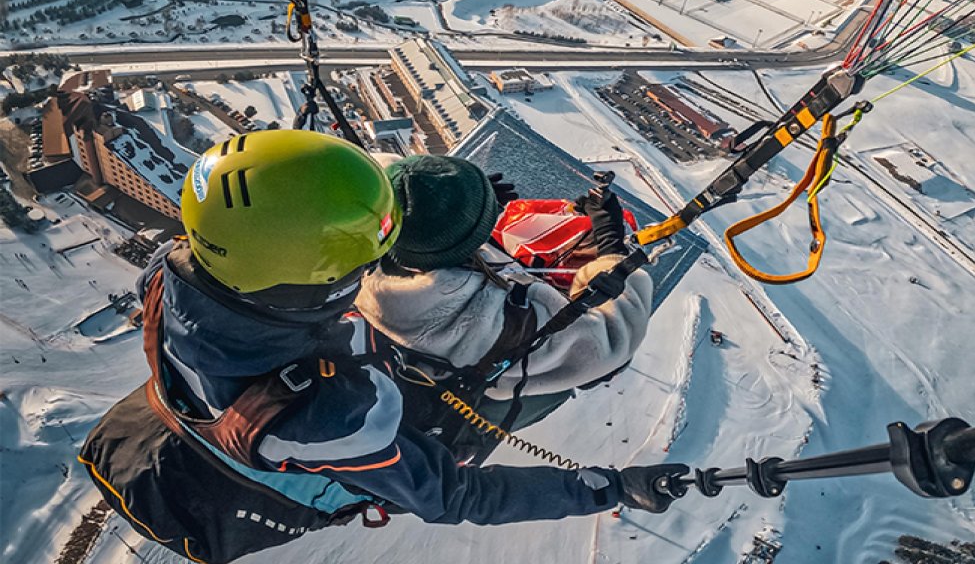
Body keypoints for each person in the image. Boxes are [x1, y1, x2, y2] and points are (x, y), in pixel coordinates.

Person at [80, 130, 685, 564]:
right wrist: (606, 488)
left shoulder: (180, 271)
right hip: (294, 446)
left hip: (199, 404)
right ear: (329, 274)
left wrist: (430, 203)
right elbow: (456, 496)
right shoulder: (340, 418)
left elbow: (306, 200)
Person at [353, 155, 653, 455]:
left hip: (381, 387)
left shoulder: (347, 262)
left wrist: (451, 202)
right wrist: (611, 248)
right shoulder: (484, 319)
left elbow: (394, 183)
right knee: (551, 387)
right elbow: (610, 344)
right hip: (457, 414)